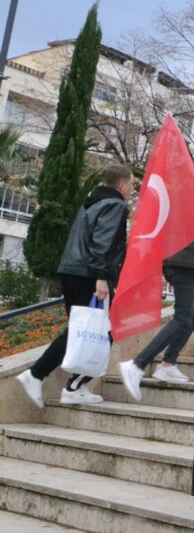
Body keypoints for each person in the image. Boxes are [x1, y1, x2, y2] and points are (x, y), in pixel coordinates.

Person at [17, 164, 134, 407]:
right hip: (91, 275)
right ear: (121, 185)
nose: (132, 189)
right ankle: (50, 378)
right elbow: (104, 242)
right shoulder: (115, 205)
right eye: (132, 184)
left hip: (71, 270)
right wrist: (102, 277)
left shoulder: (91, 202)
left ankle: (60, 383)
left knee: (78, 329)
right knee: (103, 332)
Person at [117, 153, 194, 401]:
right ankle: (137, 364)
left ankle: (168, 364)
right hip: (193, 262)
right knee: (183, 317)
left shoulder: (184, 190)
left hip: (173, 258)